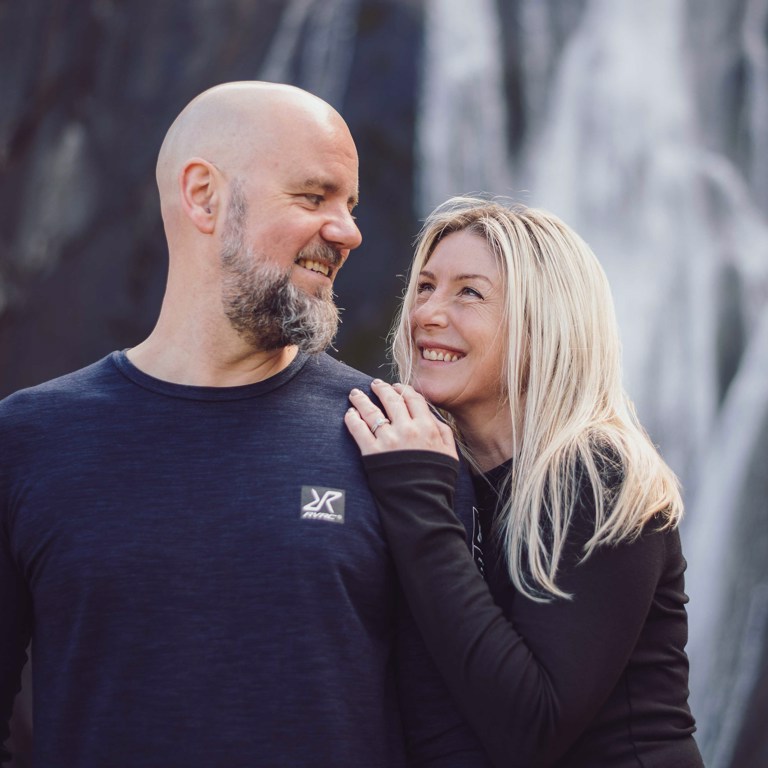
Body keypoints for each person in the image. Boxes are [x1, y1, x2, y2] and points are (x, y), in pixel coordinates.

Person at [0, 83, 491, 768]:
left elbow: (451, 736)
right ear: (203, 195)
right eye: (314, 196)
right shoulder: (27, 439)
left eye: (350, 205)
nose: (348, 231)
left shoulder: (399, 436)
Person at [345, 196, 705, 767]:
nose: (426, 313)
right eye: (425, 286)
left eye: (469, 292)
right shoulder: (441, 463)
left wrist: (417, 499)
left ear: (543, 325)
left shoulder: (598, 473)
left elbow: (532, 727)